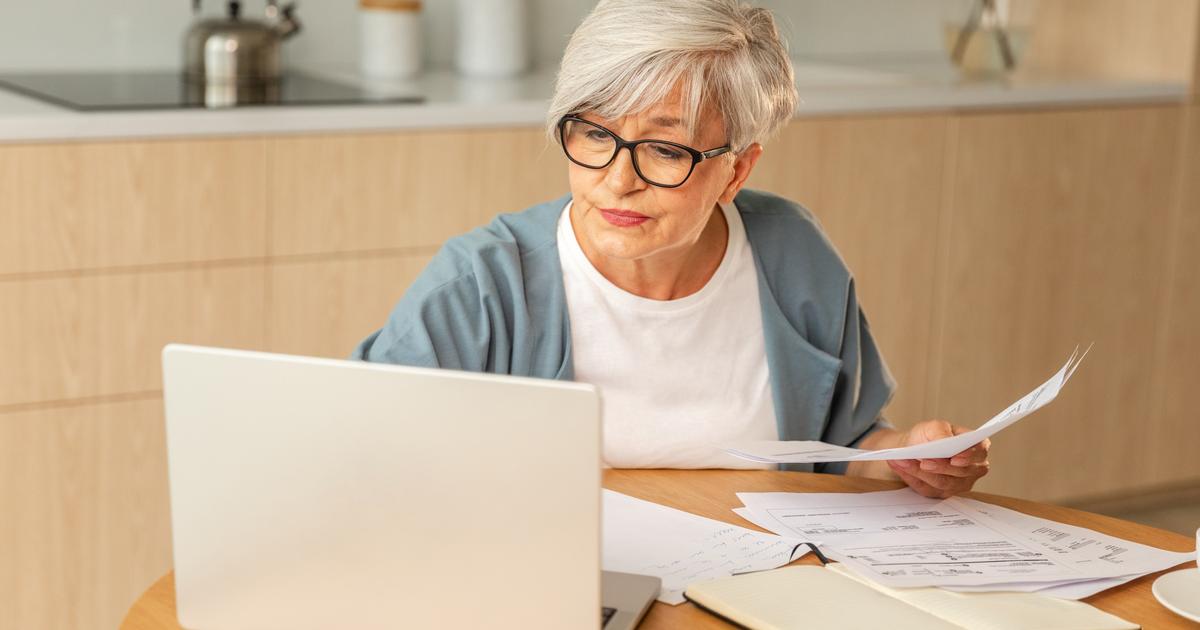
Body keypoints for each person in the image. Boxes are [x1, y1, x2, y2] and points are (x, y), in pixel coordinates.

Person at [353, 0, 989, 498]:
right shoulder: (482, 284)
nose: (617, 178)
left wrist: (905, 455)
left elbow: (841, 449)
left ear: (736, 173)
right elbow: (364, 451)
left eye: (665, 149)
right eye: (596, 132)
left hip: (758, 576)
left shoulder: (794, 256)